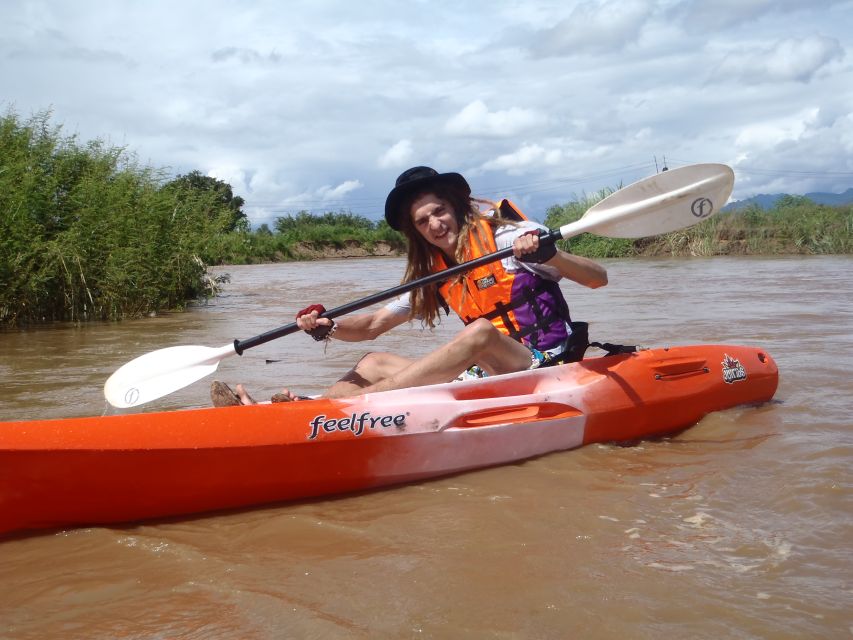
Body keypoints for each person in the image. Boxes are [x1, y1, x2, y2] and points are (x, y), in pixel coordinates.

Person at [211, 166, 607, 407]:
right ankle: (310, 414)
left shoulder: (510, 238)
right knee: (372, 362)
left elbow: (597, 278)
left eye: (439, 211)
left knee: (480, 331)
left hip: (545, 365)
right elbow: (373, 326)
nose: (435, 224)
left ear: (455, 206)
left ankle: (349, 405)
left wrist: (551, 255)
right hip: (488, 372)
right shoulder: (433, 274)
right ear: (415, 230)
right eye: (422, 221)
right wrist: (329, 325)